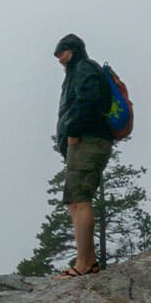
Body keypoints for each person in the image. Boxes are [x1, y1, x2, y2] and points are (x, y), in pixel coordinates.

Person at [51, 34, 114, 279]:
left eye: (62, 53)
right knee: (76, 200)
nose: (59, 59)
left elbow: (88, 101)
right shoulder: (77, 70)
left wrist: (73, 133)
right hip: (87, 139)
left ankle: (84, 264)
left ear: (73, 50)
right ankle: (88, 261)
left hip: (87, 139)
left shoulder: (84, 67)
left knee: (78, 199)